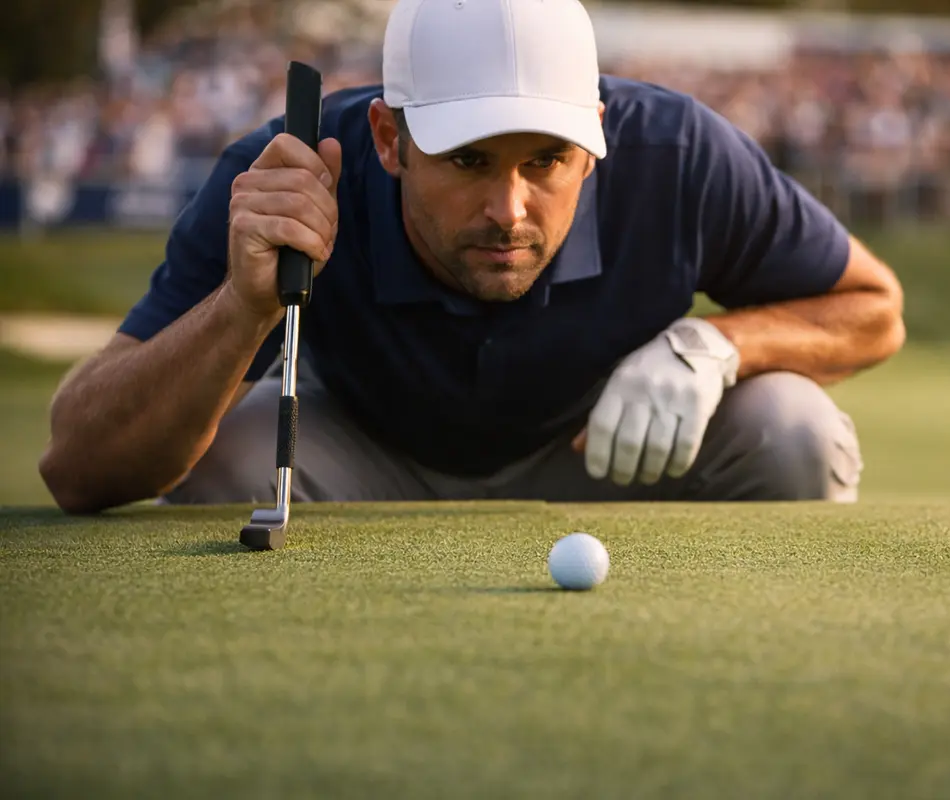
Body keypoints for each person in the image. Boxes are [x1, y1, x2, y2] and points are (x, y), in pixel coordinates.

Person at [38, 0, 905, 514]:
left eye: (547, 160)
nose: (509, 209)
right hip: (361, 459)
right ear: (388, 138)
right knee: (230, 450)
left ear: (595, 137)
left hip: (604, 454)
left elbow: (875, 309)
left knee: (793, 428)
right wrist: (242, 306)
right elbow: (76, 467)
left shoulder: (680, 154)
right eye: (468, 160)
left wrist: (717, 345)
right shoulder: (290, 170)